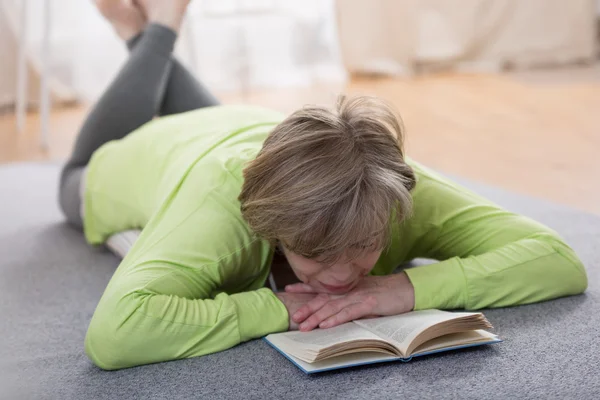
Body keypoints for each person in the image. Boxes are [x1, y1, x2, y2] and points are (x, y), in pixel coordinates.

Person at [59, 0, 588, 370]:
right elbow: (114, 335)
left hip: (240, 126)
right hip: (137, 163)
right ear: (268, 223)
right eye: (314, 252)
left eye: (364, 247)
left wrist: (404, 289)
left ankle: (145, 29)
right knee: (73, 176)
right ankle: (153, 29)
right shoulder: (221, 208)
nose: (341, 276)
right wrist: (279, 309)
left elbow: (557, 260)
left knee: (214, 124)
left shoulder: (387, 183)